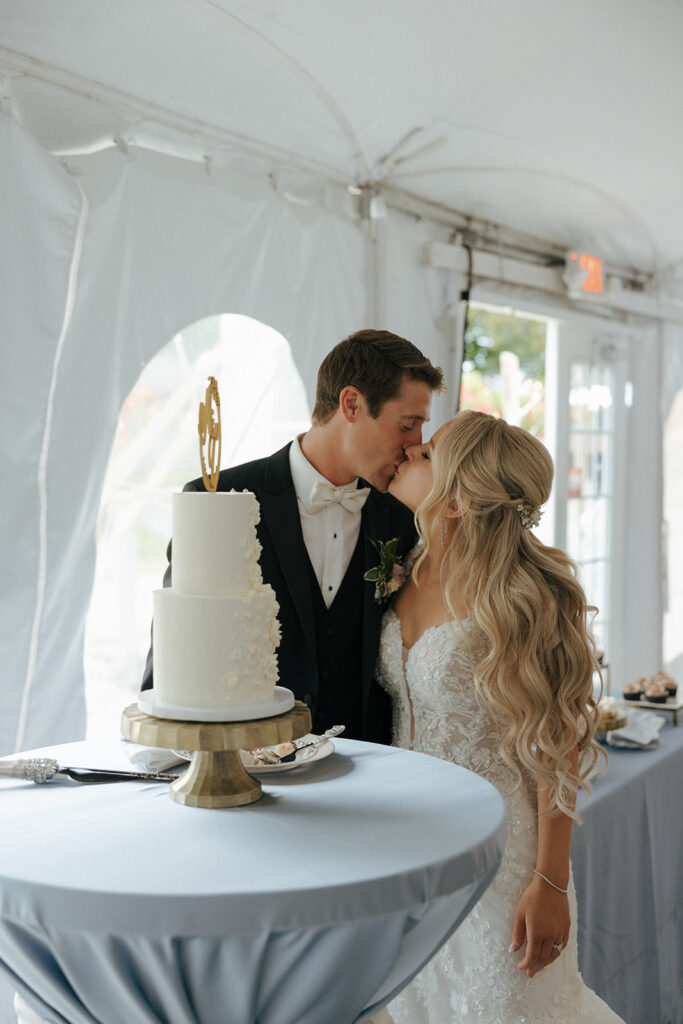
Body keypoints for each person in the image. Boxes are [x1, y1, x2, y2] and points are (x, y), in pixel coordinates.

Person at [375, 410, 624, 1023]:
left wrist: (552, 882)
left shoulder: (530, 594)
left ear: (457, 500)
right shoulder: (403, 560)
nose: (409, 455)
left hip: (500, 861)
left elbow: (558, 746)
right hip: (405, 853)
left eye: (427, 454)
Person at [141, 329, 443, 743]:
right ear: (351, 403)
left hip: (369, 770)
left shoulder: (402, 516)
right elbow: (176, 661)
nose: (415, 445)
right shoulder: (218, 500)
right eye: (408, 425)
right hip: (251, 765)